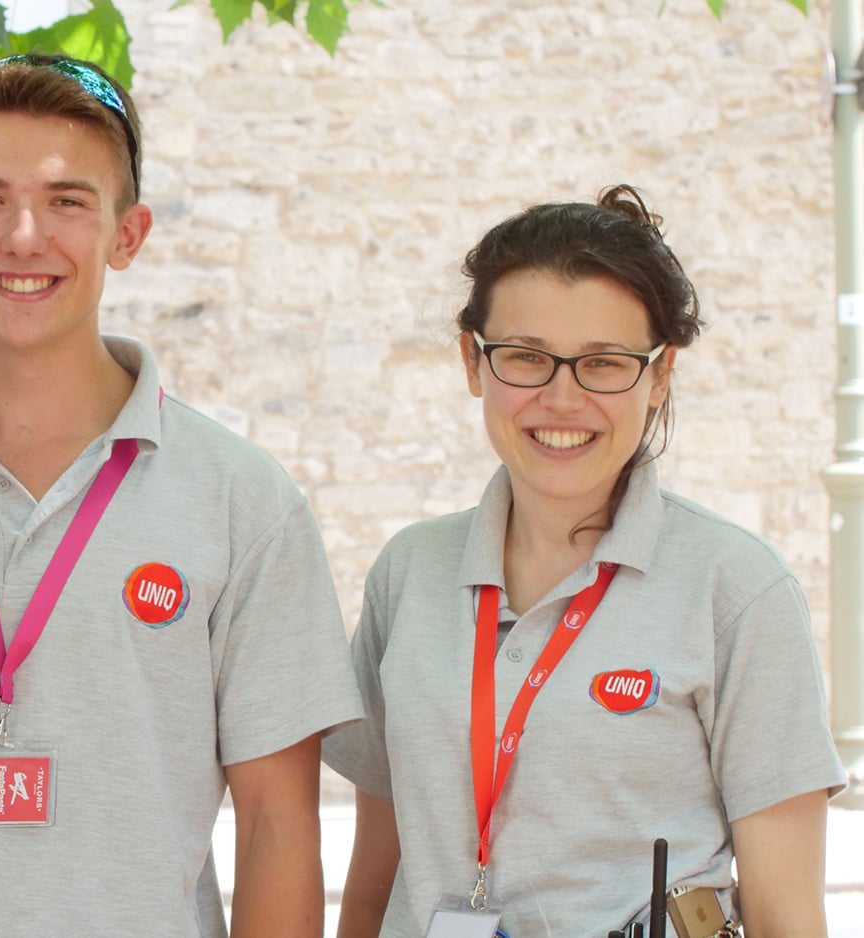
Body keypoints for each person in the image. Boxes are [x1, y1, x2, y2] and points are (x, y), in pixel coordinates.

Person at [0, 52, 363, 937]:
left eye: (67, 201)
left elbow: (278, 825)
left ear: (128, 233)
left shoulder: (243, 501)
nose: (24, 235)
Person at [325, 186, 848, 937]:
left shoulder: (738, 589)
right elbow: (373, 889)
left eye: (604, 363)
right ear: (473, 361)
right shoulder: (407, 573)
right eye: (527, 358)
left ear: (660, 376)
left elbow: (786, 915)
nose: (562, 398)